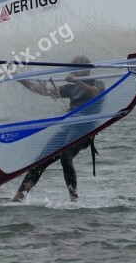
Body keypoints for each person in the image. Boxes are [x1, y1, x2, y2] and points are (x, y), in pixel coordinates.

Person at [11, 55, 105, 203]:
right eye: (73, 69)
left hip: (85, 130)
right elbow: (44, 90)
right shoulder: (71, 87)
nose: (74, 72)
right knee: (41, 160)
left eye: (77, 69)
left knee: (65, 155)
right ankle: (19, 196)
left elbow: (93, 93)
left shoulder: (98, 83)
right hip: (68, 128)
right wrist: (18, 78)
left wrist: (76, 81)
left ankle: (74, 198)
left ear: (87, 70)